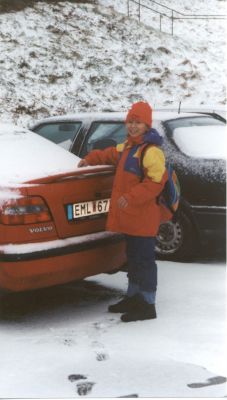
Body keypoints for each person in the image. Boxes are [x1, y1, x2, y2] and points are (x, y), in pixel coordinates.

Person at [78, 101, 167, 322]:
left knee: (145, 261)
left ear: (147, 125)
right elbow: (109, 154)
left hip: (144, 220)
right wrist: (90, 158)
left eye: (138, 122)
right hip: (131, 220)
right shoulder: (128, 147)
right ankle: (133, 297)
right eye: (130, 122)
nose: (133, 126)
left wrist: (131, 196)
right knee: (134, 259)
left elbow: (156, 183)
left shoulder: (151, 151)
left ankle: (147, 305)